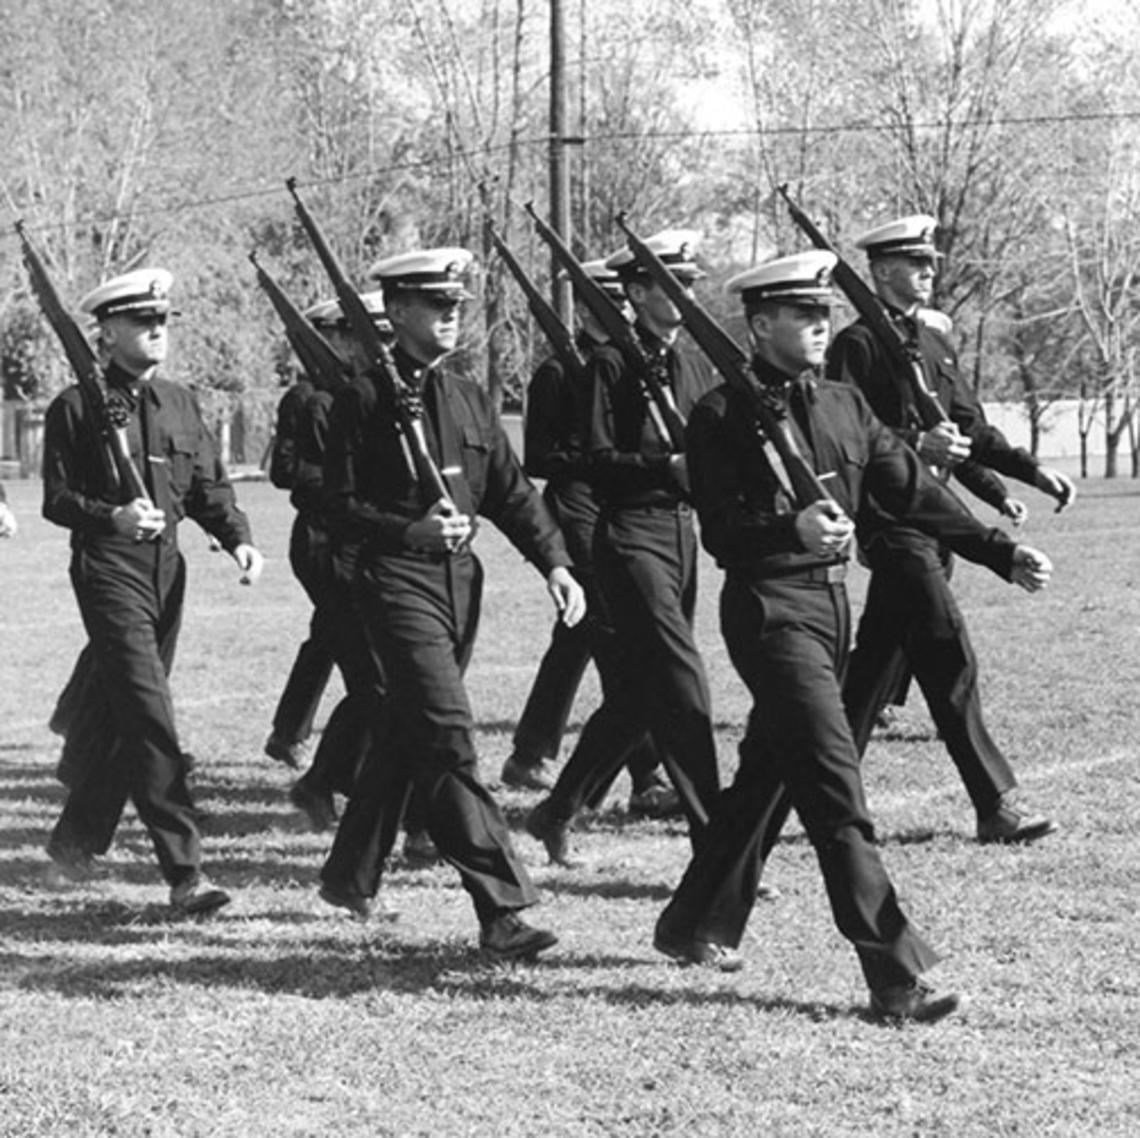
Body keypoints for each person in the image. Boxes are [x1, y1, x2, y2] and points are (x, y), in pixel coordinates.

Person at [653, 251, 1055, 1022]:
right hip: (770, 611)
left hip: (830, 609)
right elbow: (723, 533)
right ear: (759, 323)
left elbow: (910, 491)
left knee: (770, 773)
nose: (818, 324)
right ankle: (894, 975)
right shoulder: (718, 414)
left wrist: (999, 551)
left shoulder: (843, 403)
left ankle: (691, 920)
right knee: (836, 787)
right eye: (802, 314)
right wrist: (788, 525)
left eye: (823, 312)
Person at [316, 248, 584, 959]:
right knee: (448, 735)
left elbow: (511, 492)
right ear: (397, 312)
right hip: (395, 582)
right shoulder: (362, 399)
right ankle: (502, 910)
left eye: (457, 305)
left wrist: (554, 562)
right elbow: (330, 503)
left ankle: (348, 877)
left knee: (412, 735)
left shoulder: (467, 396)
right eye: (437, 304)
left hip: (459, 587)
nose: (451, 315)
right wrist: (406, 527)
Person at [826, 215, 1076, 842]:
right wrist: (915, 439)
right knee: (945, 651)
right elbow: (841, 434)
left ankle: (819, 787)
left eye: (930, 264)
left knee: (872, 670)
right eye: (918, 264)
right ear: (882, 271)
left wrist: (1032, 471)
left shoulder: (932, 345)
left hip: (936, 522)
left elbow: (971, 428)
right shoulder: (855, 346)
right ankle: (996, 804)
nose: (930, 274)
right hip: (891, 523)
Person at [40, 268, 263, 915]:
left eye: (163, 319)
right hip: (108, 568)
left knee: (122, 712)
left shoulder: (180, 402)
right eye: (143, 320)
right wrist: (109, 515)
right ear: (106, 332)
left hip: (168, 573)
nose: (158, 329)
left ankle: (75, 839)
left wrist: (238, 536)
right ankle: (185, 870)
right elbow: (55, 499)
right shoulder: (75, 406)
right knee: (148, 714)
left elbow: (207, 489)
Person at [525, 230, 719, 865]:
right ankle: (714, 844)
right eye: (676, 284)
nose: (689, 293)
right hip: (629, 534)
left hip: (681, 533)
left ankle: (556, 811)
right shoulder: (608, 366)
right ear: (636, 292)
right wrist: (666, 468)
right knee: (682, 681)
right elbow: (595, 460)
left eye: (691, 282)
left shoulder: (690, 362)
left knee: (639, 692)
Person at [502, 258, 675, 819]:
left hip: (617, 505)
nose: (623, 308)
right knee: (614, 636)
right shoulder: (557, 372)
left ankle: (531, 752)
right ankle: (646, 775)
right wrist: (599, 458)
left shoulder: (628, 366)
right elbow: (539, 457)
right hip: (576, 505)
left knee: (583, 635)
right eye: (609, 299)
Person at [262, 369, 334, 771]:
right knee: (339, 631)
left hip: (354, 533)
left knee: (330, 634)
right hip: (320, 532)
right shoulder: (305, 397)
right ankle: (290, 733)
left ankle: (289, 732)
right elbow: (284, 470)